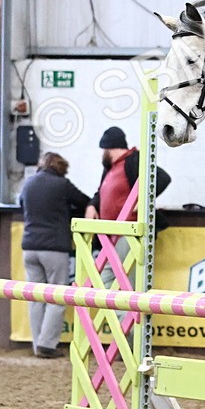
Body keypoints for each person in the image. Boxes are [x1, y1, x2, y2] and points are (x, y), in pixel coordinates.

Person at [18, 152, 90, 358]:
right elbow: (84, 201)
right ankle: (47, 345)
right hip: (54, 248)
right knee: (57, 297)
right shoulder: (62, 185)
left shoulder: (29, 184)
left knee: (35, 298)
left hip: (29, 247)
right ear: (61, 168)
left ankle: (36, 344)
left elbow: (22, 205)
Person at [85, 126, 171, 286]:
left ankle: (127, 312)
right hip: (110, 236)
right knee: (103, 282)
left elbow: (162, 178)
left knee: (127, 284)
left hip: (127, 234)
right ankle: (118, 312)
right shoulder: (111, 168)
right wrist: (91, 206)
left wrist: (143, 200)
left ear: (108, 149)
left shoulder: (134, 160)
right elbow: (100, 193)